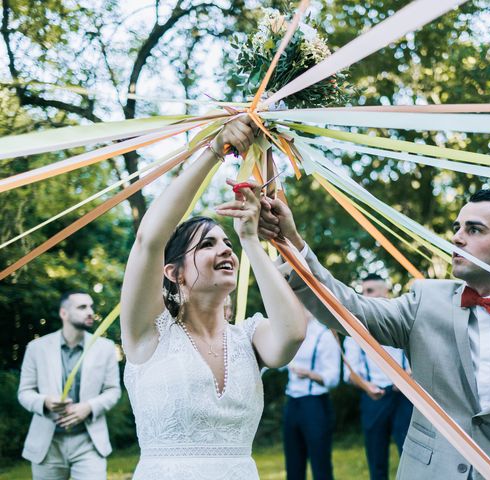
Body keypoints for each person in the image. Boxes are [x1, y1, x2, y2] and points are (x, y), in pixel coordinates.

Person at [259, 188, 490, 479]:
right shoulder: (424, 302)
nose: (456, 238)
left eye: (474, 229)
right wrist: (291, 242)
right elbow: (351, 309)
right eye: (457, 227)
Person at [120, 115, 307, 480]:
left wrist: (251, 240)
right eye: (207, 244)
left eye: (226, 243)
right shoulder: (148, 334)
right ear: (174, 273)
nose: (225, 250)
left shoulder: (248, 338)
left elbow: (293, 334)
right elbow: (148, 242)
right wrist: (215, 149)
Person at [18, 291, 121, 480]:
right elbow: (24, 392)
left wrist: (88, 407)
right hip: (47, 444)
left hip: (89, 443)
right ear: (63, 313)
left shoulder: (105, 347)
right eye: (82, 307)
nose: (90, 312)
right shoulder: (37, 348)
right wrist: (45, 402)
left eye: (91, 306)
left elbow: (113, 391)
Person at [343, 273, 412, 480]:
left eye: (370, 291)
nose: (365, 295)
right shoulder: (356, 328)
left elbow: (419, 356)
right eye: (363, 292)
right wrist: (366, 387)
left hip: (404, 398)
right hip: (374, 397)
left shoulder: (403, 318)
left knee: (410, 454)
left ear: (386, 291)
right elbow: (350, 371)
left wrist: (409, 377)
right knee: (376, 457)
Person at [283, 310, 341, 480]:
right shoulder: (289, 332)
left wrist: (309, 374)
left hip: (315, 404)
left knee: (320, 462)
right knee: (293, 463)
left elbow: (333, 378)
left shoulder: (324, 336)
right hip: (292, 403)